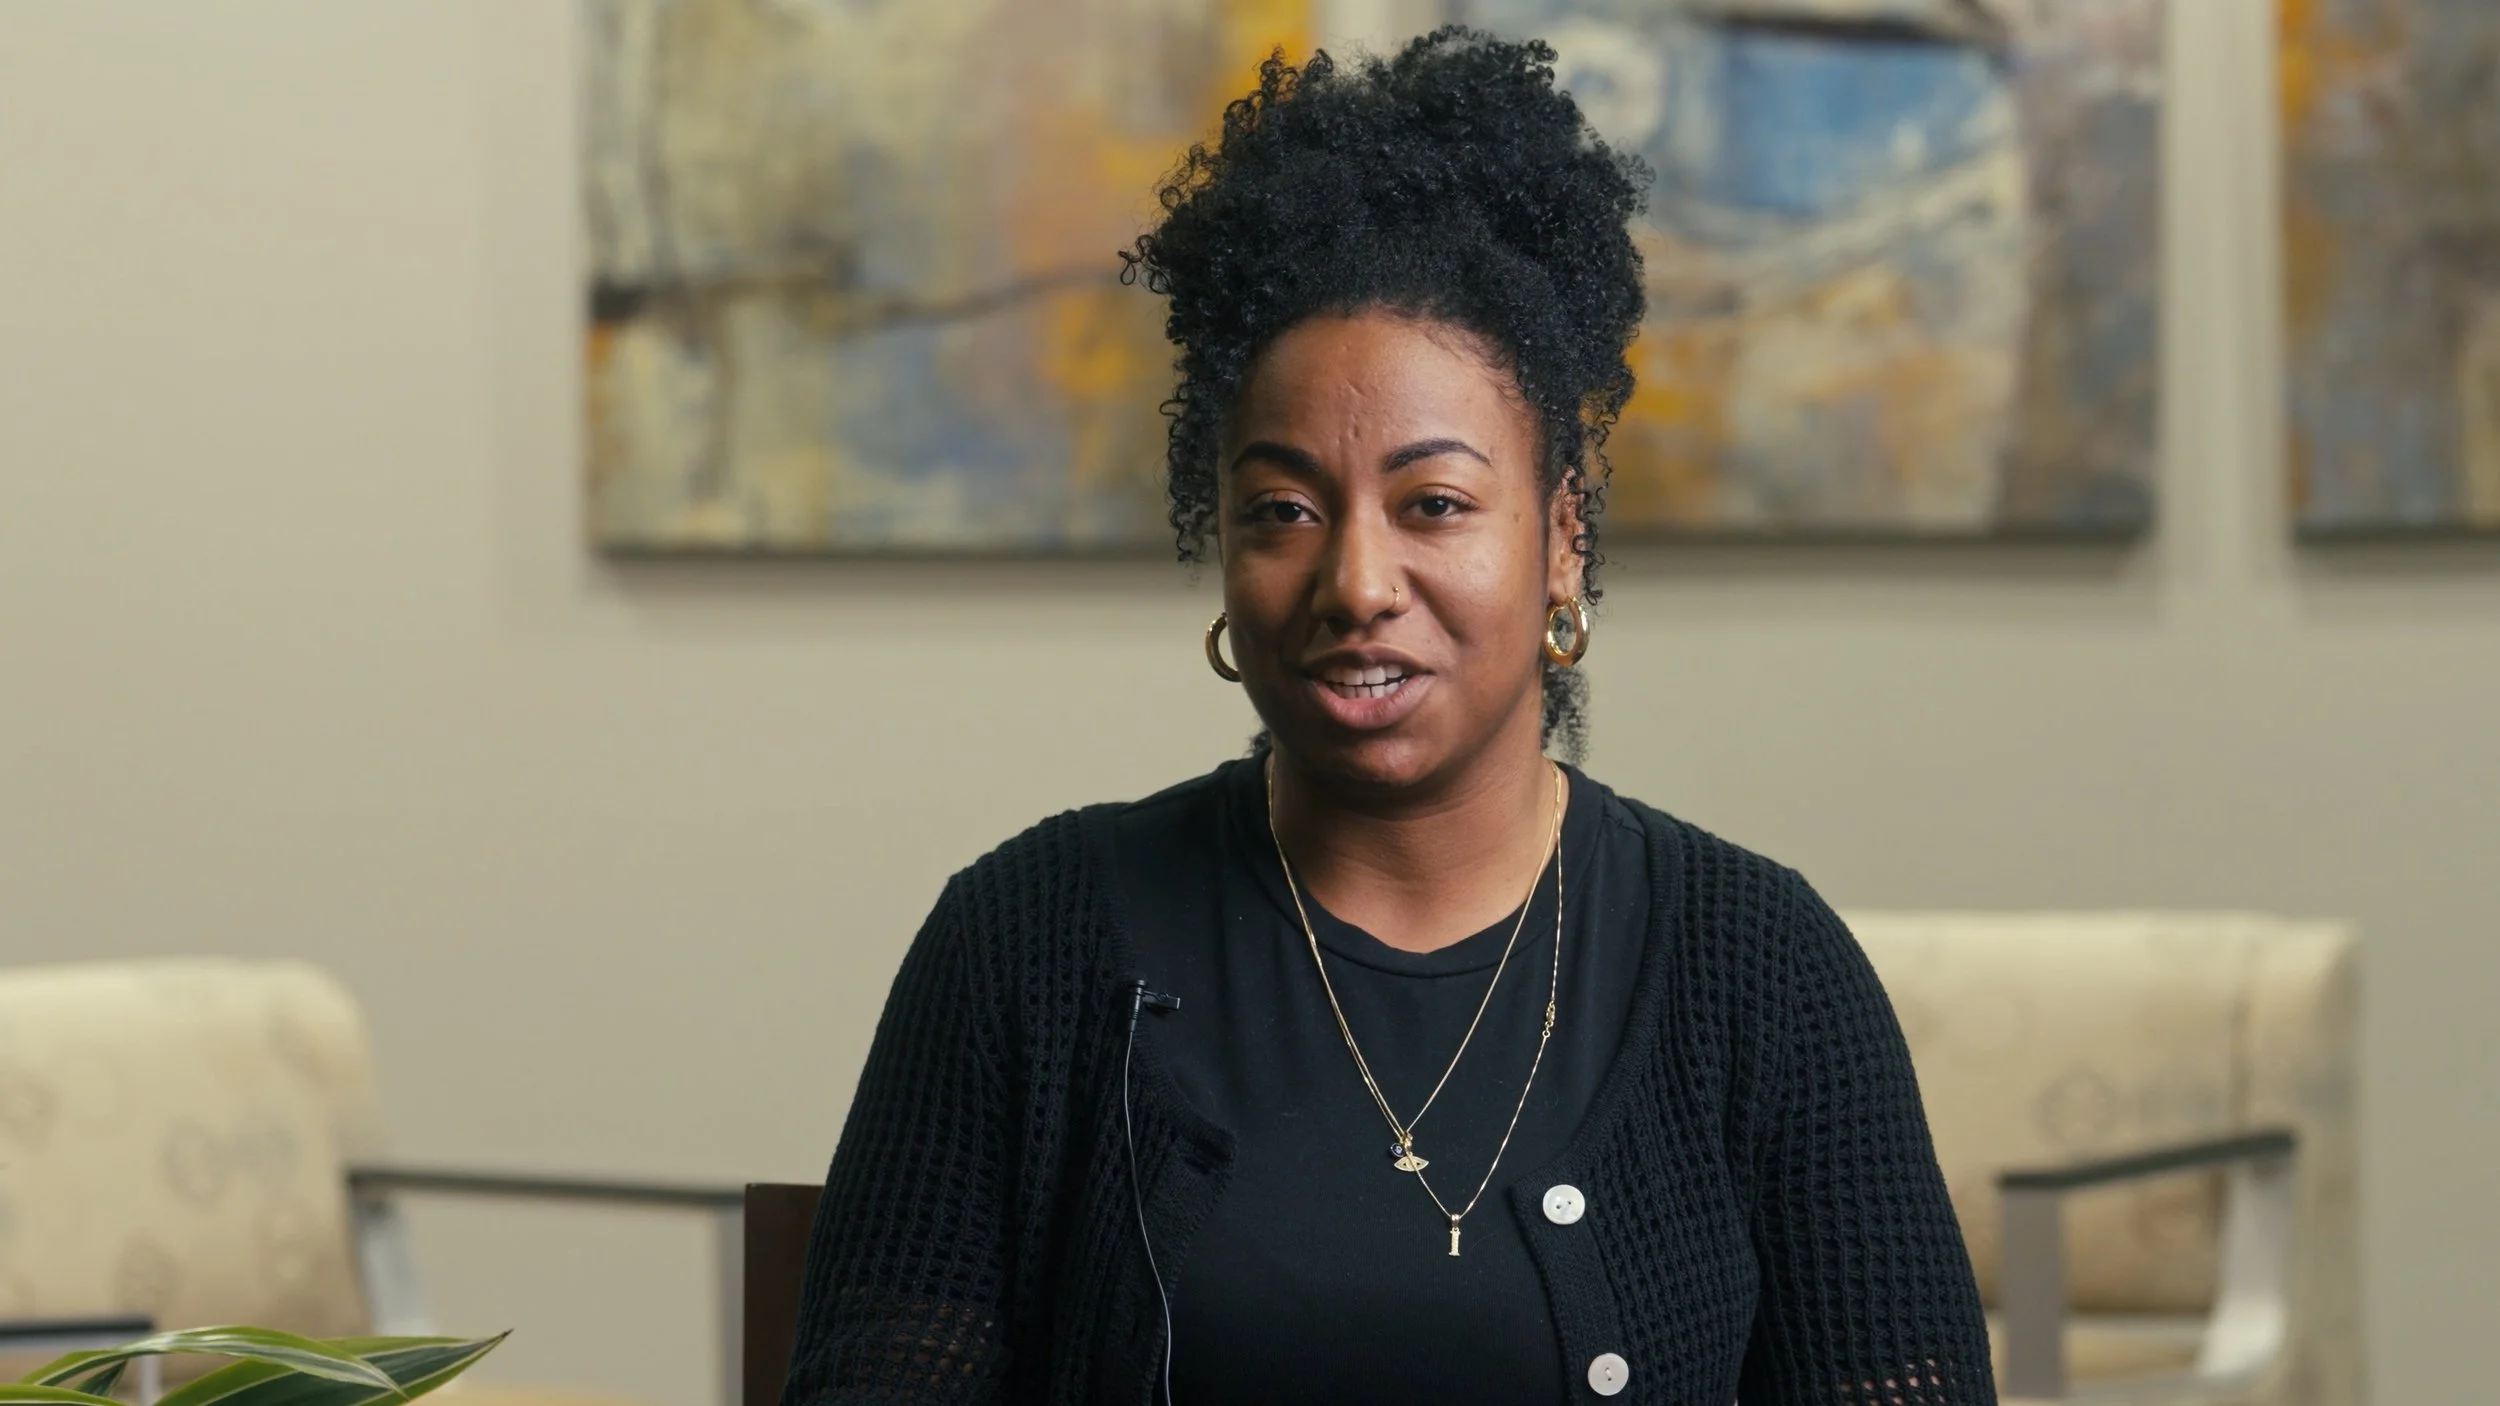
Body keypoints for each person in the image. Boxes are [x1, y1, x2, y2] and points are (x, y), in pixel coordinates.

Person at [780, 27, 1992, 1406]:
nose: (1357, 582)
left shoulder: (1764, 973)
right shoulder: (1030, 944)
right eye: (1285, 509)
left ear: (1562, 540)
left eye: (1435, 504)